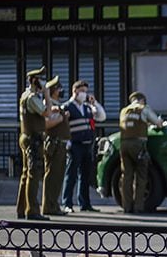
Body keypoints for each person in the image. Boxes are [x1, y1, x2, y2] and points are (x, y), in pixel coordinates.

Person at [62, 80, 106, 213]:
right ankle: (67, 203)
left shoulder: (87, 107)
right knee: (71, 175)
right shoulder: (67, 107)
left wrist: (95, 103)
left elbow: (102, 117)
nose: (84, 94)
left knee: (85, 176)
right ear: (74, 91)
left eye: (86, 91)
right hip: (75, 145)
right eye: (82, 91)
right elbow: (63, 127)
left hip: (87, 145)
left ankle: (85, 204)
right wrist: (67, 143)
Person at [15, 66, 52, 220]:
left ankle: (21, 208)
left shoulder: (25, 95)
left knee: (25, 174)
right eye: (41, 79)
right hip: (33, 140)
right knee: (33, 174)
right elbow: (47, 112)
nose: (43, 82)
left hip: (26, 136)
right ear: (34, 81)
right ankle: (33, 211)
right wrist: (47, 95)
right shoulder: (32, 98)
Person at [119, 91, 164, 213]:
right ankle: (138, 207)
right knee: (141, 175)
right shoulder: (143, 109)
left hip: (123, 145)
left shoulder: (124, 111)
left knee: (126, 176)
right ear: (142, 100)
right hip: (138, 145)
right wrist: (159, 122)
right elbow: (158, 123)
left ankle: (127, 207)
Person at [40, 75, 70, 216]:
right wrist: (61, 117)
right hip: (54, 144)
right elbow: (46, 124)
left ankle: (54, 204)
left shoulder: (56, 104)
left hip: (61, 145)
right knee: (52, 176)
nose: (61, 90)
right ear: (53, 90)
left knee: (58, 177)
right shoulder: (48, 105)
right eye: (59, 88)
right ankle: (49, 206)